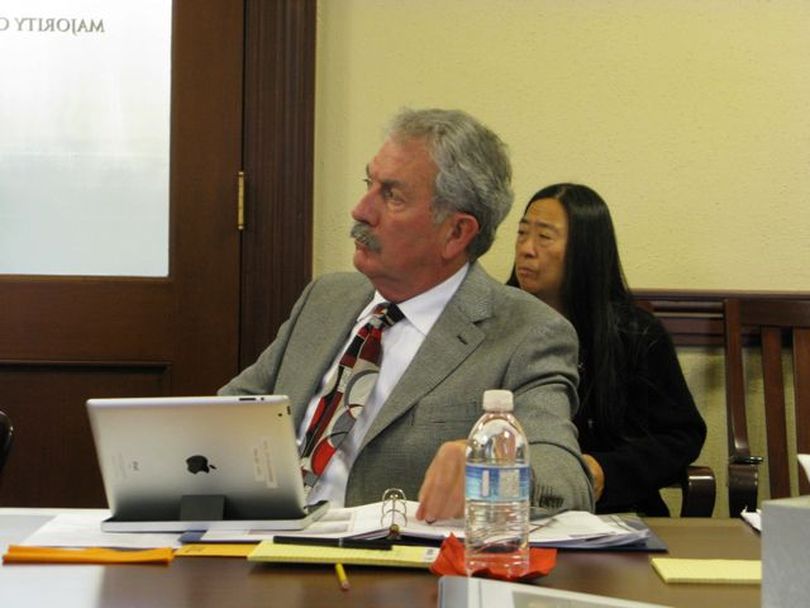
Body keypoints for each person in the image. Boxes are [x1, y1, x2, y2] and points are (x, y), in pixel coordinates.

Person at [219, 109, 593, 521]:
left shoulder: (526, 332)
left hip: (387, 570)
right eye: (369, 184)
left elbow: (564, 478)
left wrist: (491, 465)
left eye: (392, 196)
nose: (361, 210)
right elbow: (230, 414)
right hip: (260, 549)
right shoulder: (326, 298)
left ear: (456, 233)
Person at [508, 183, 706, 515]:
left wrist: (606, 471)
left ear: (586, 250)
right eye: (522, 233)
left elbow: (680, 436)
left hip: (615, 514)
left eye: (544, 237)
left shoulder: (635, 333)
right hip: (511, 516)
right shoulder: (494, 327)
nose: (526, 249)